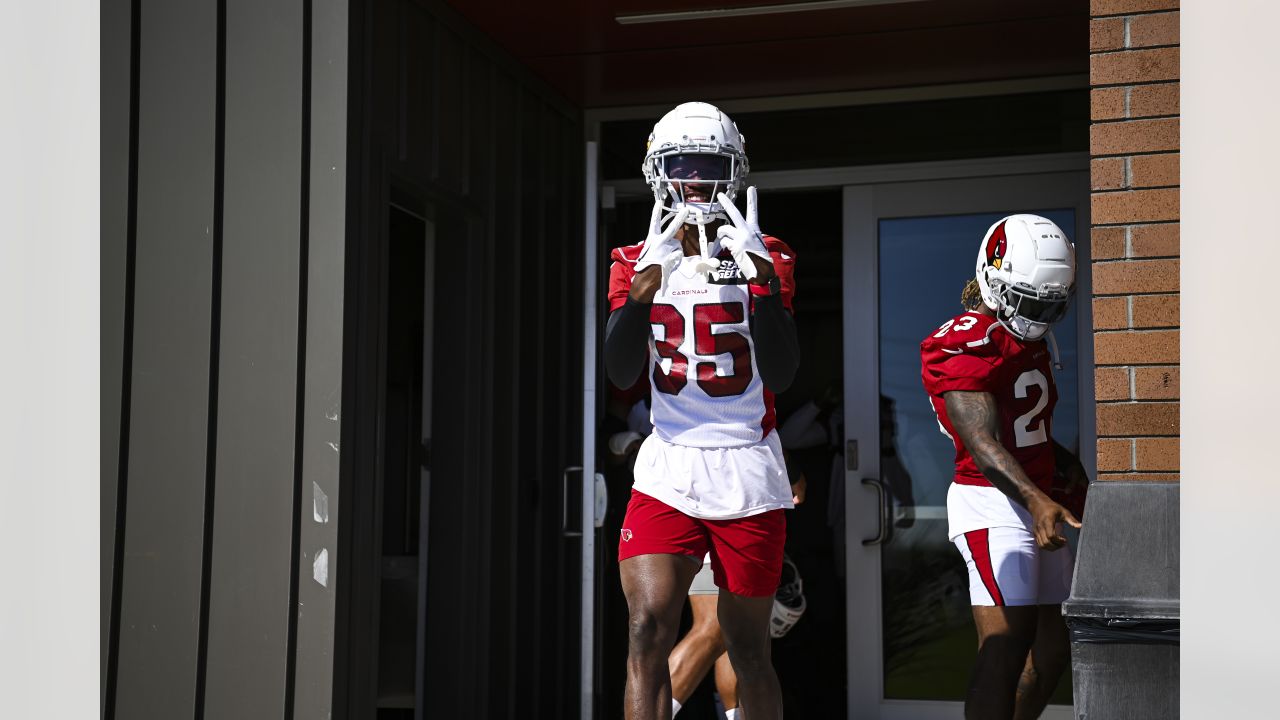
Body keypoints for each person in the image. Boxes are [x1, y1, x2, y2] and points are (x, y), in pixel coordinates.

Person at [604, 101, 800, 720]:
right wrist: (639, 298)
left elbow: (786, 372)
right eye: (680, 165)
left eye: (708, 165)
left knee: (747, 647)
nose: (694, 180)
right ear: (658, 173)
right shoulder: (633, 259)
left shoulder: (766, 252)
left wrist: (762, 284)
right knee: (646, 633)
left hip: (745, 461)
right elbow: (620, 372)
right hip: (670, 462)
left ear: (734, 171)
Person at [919, 214, 1089, 720]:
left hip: (1038, 493)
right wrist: (1036, 499)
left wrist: (1071, 483)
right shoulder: (965, 340)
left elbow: (1030, 431)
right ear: (993, 280)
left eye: (1047, 303)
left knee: (1055, 648)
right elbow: (981, 439)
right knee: (1004, 649)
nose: (1037, 314)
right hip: (993, 500)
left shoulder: (1027, 338)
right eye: (1028, 300)